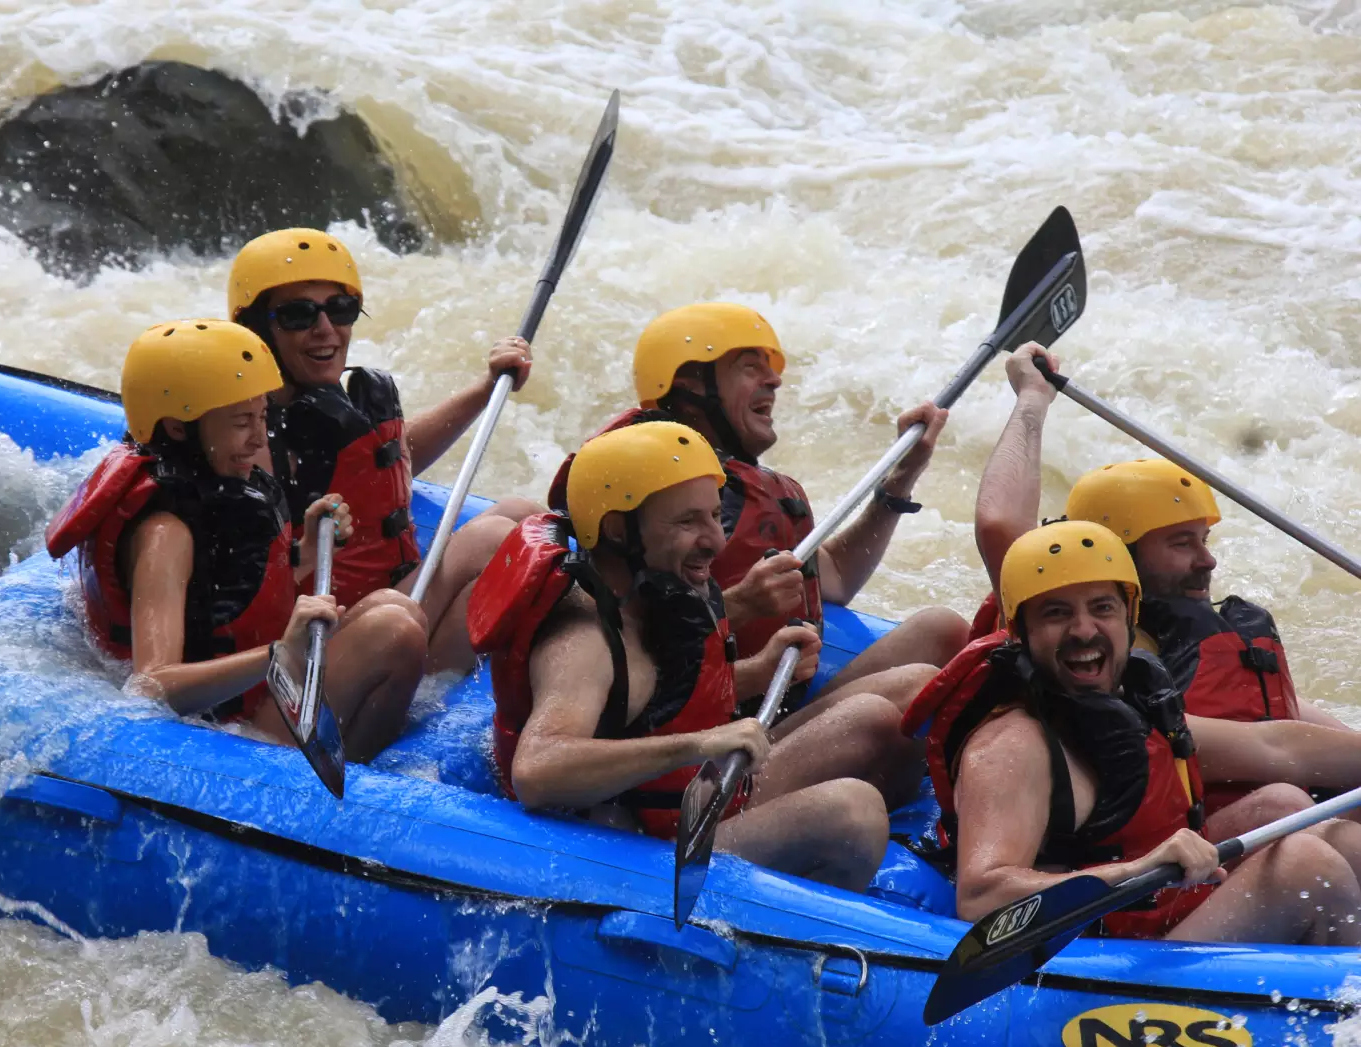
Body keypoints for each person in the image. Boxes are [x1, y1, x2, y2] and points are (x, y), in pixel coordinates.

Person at [470, 420, 896, 891]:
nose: (716, 540)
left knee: (872, 718)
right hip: (641, 848)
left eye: (715, 515)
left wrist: (757, 672)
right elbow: (536, 770)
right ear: (618, 530)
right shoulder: (585, 642)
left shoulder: (655, 591)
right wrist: (701, 744)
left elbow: (655, 698)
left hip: (696, 795)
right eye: (688, 521)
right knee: (853, 814)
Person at [907, 520, 1361, 943]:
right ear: (1021, 632)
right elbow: (981, 897)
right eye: (1056, 613)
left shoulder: (1131, 700)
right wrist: (1137, 870)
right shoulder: (1011, 745)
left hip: (1155, 901)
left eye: (1102, 608)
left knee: (1289, 809)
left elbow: (1274, 745)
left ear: (1130, 618)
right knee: (1307, 867)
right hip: (1102, 947)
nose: (1084, 630)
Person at [975, 343, 1349, 819]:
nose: (1208, 561)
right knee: (1284, 803)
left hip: (1239, 808)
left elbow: (1293, 726)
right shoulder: (1088, 653)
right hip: (1166, 843)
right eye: (1180, 543)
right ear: (1120, 552)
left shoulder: (1202, 639)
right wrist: (1032, 398)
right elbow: (1000, 525)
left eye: (1203, 539)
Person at [547, 302, 968, 715]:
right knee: (905, 691)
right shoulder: (651, 495)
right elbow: (629, 646)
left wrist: (898, 480)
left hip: (768, 693)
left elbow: (835, 577)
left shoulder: (729, 489)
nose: (774, 380)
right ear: (691, 388)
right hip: (708, 723)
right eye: (750, 367)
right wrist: (741, 604)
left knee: (940, 628)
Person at [45, 319, 427, 760]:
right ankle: (350, 777)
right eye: (242, 422)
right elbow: (150, 685)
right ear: (178, 428)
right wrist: (279, 654)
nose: (258, 439)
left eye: (263, 416)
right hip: (219, 727)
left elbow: (227, 597)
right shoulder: (165, 534)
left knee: (394, 607)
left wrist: (307, 550)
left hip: (249, 693)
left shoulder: (213, 489)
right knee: (393, 631)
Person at [228, 228, 539, 672]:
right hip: (327, 640)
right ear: (257, 328)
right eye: (299, 315)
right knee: (493, 540)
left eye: (340, 309)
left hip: (393, 606)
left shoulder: (322, 407)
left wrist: (487, 388)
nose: (325, 329)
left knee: (525, 516)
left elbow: (388, 460)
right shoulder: (247, 435)